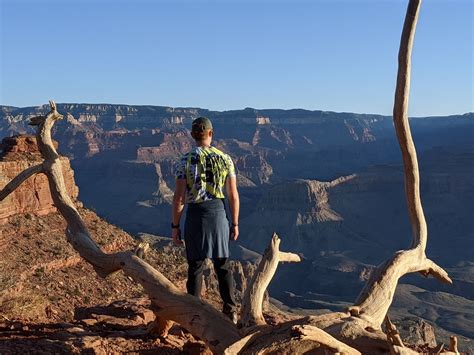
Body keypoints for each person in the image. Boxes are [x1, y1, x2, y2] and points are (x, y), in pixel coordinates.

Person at [171, 116, 239, 323]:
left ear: (193, 135)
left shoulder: (185, 160)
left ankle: (193, 313)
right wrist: (234, 223)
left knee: (195, 266)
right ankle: (231, 310)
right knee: (222, 264)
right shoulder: (225, 159)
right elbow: (233, 195)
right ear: (210, 133)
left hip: (196, 215)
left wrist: (175, 226)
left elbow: (179, 197)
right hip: (218, 213)